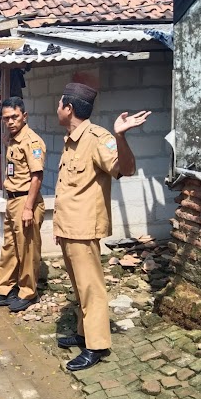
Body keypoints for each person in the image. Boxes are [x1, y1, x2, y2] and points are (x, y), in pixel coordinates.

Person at [53, 83, 150, 371]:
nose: (56, 109)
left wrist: (120, 136)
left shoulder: (99, 138)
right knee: (79, 286)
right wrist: (58, 228)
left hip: (84, 229)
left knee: (91, 288)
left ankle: (96, 345)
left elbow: (126, 169)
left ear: (68, 108)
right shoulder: (71, 139)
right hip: (68, 227)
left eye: (59, 104)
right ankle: (84, 333)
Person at [0, 96, 45, 313]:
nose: (10, 121)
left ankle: (28, 292)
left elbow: (37, 176)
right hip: (13, 200)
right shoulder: (12, 140)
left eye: (15, 117)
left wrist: (28, 207)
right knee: (10, 247)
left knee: (27, 248)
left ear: (24, 116)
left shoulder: (32, 141)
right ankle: (5, 289)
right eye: (6, 118)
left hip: (26, 201)